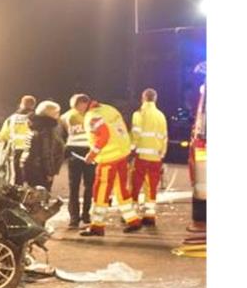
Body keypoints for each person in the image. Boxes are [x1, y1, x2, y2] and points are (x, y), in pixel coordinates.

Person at [75, 94, 141, 236]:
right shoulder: (109, 109)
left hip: (108, 159)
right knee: (121, 189)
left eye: (77, 108)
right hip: (121, 154)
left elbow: (103, 136)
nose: (78, 111)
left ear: (82, 104)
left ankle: (97, 226)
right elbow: (121, 129)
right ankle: (133, 220)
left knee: (101, 191)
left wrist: (92, 155)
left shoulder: (92, 116)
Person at [130, 88, 168, 226]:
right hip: (156, 157)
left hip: (141, 155)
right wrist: (162, 153)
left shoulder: (139, 113)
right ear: (155, 99)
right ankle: (150, 215)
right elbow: (164, 137)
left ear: (143, 98)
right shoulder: (161, 116)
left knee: (135, 185)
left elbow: (136, 134)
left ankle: (132, 214)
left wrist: (131, 148)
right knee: (151, 187)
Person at [60, 94, 95, 228]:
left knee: (89, 186)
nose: (84, 106)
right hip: (75, 153)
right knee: (74, 187)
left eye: (85, 103)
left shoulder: (90, 116)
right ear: (75, 104)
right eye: (81, 103)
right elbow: (62, 135)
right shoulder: (65, 117)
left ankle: (86, 214)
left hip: (89, 153)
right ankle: (74, 217)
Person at [21, 100, 65, 190]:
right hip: (40, 169)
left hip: (29, 165)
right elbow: (46, 152)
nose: (58, 115)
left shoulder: (35, 125)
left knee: (32, 195)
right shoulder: (47, 129)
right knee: (41, 197)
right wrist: (49, 172)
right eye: (57, 112)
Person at [0, 95, 36, 184]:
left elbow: (3, 136)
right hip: (32, 150)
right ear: (33, 105)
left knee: (18, 175)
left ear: (21, 104)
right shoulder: (35, 117)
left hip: (16, 150)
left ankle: (19, 195)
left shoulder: (11, 118)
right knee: (33, 177)